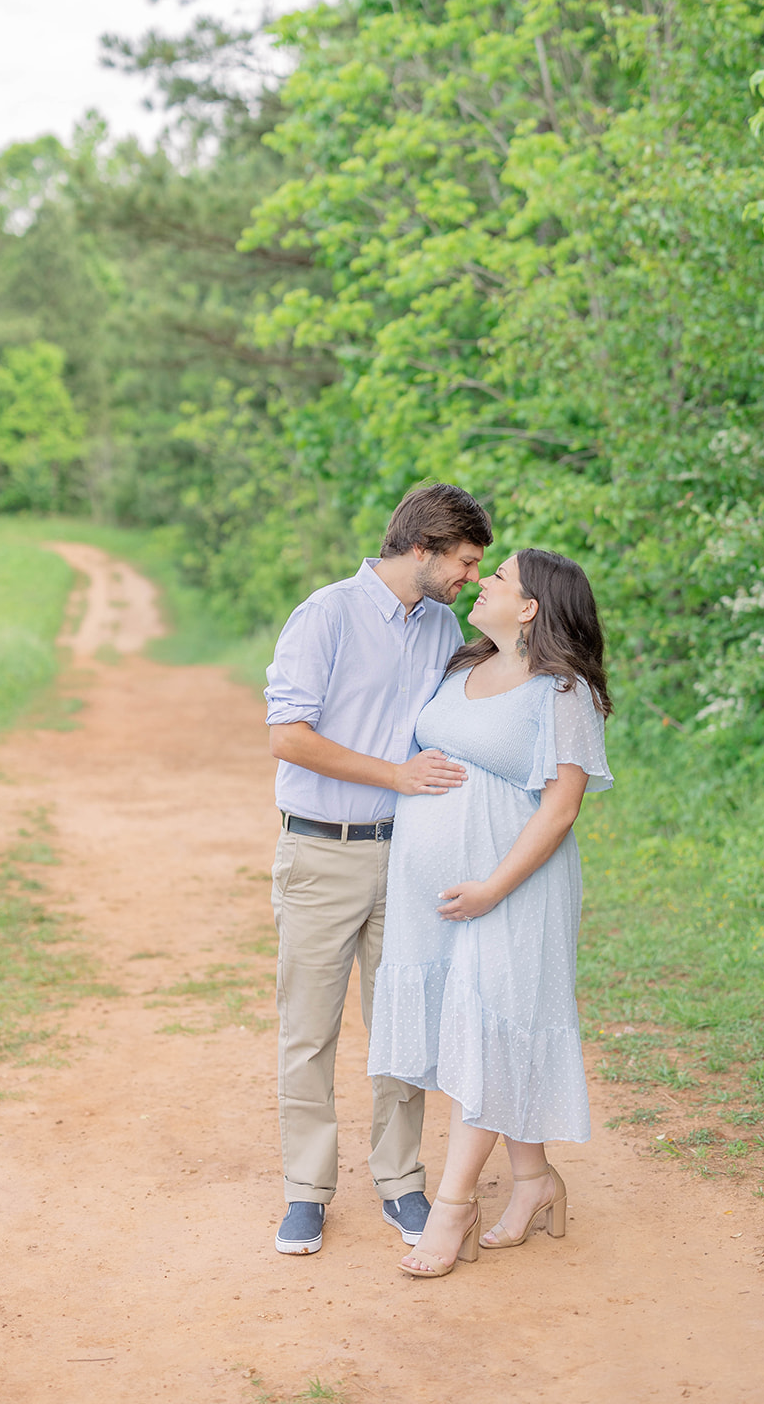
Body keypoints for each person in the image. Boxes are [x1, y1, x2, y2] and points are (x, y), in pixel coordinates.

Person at [367, 548, 613, 1277]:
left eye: (497, 578)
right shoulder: (457, 666)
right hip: (438, 898)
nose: (480, 583)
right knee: (479, 1029)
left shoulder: (559, 692)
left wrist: (491, 889)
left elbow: (561, 807)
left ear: (531, 605)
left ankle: (452, 1207)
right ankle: (535, 1182)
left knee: (485, 1029)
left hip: (514, 889)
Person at [265, 484, 493, 1256]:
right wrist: (392, 775)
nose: (468, 580)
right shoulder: (325, 614)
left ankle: (401, 1183)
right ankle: (306, 1192)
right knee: (309, 1030)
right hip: (320, 851)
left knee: (404, 1025)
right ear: (424, 548)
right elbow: (288, 737)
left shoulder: (440, 628)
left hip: (408, 858)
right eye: (463, 563)